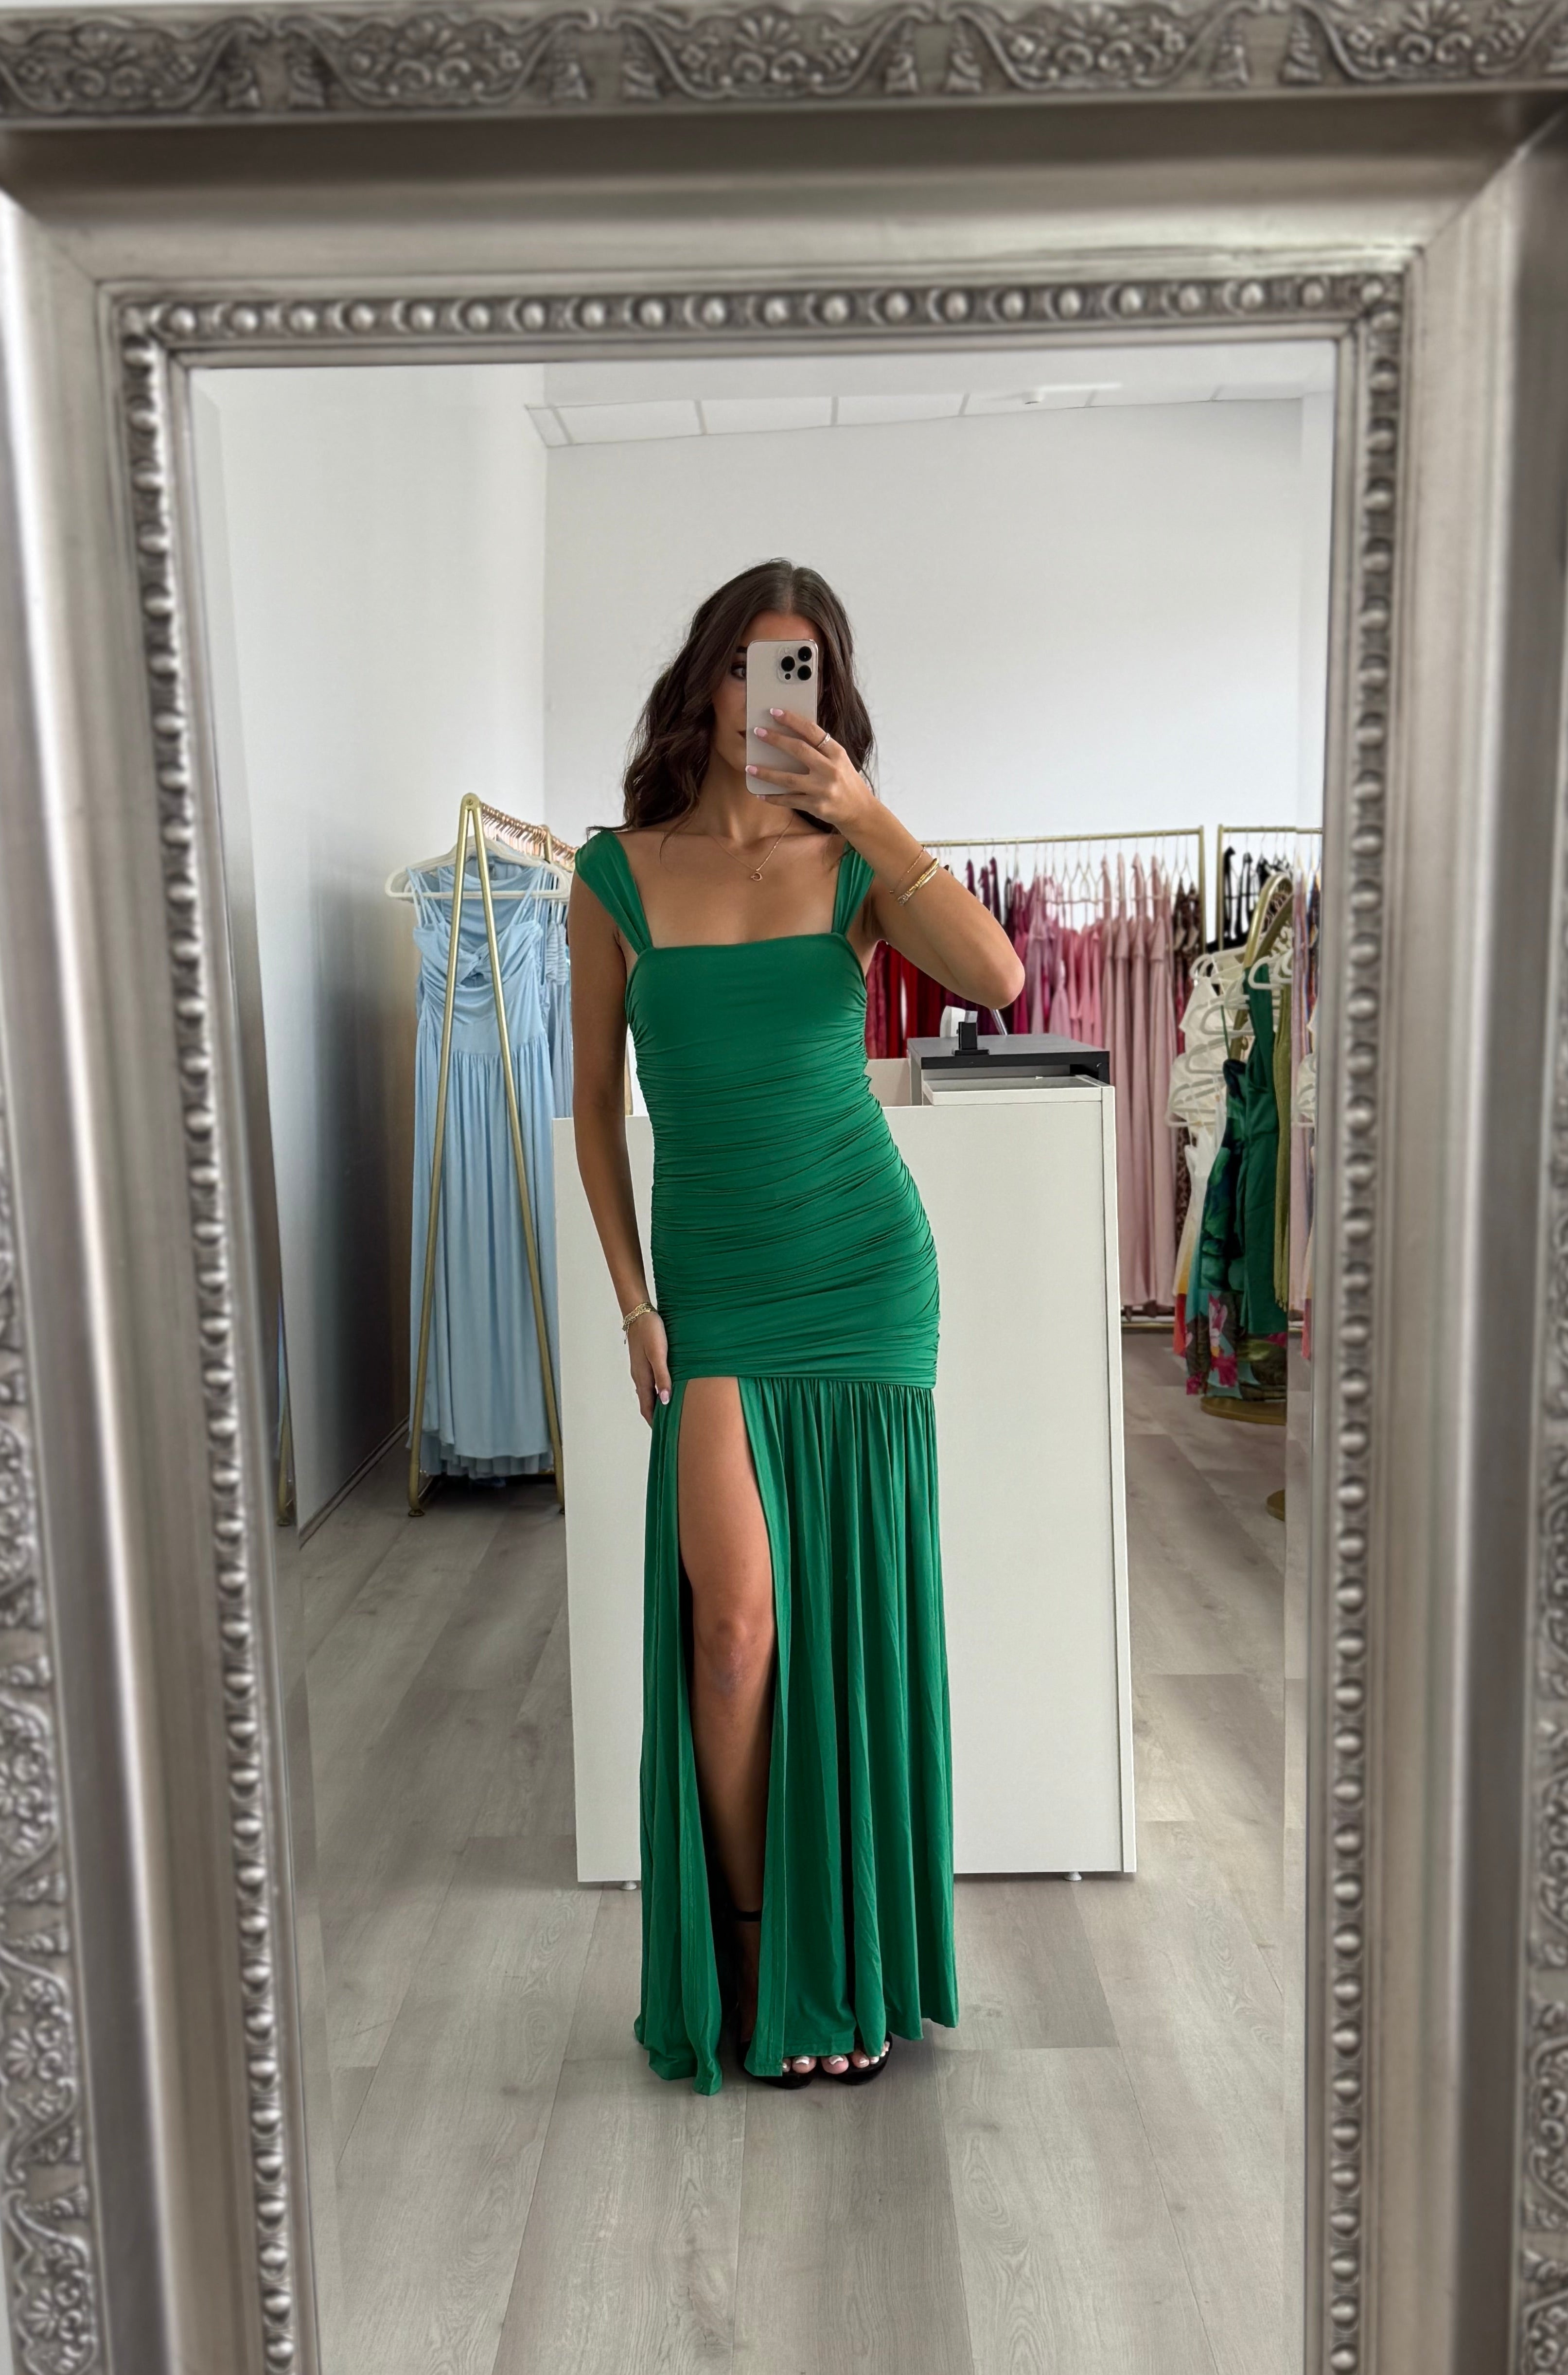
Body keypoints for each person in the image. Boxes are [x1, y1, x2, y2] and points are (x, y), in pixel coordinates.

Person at [569, 559, 1024, 2089]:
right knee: (734, 1628)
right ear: (703, 683)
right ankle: (763, 1951)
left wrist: (871, 819)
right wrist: (634, 1300)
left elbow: (995, 977)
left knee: (837, 1620)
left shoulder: (851, 868)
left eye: (805, 669)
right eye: (752, 666)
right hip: (714, 1286)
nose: (775, 695)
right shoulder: (613, 876)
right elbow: (591, 1111)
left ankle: (838, 1976)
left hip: (862, 1267)